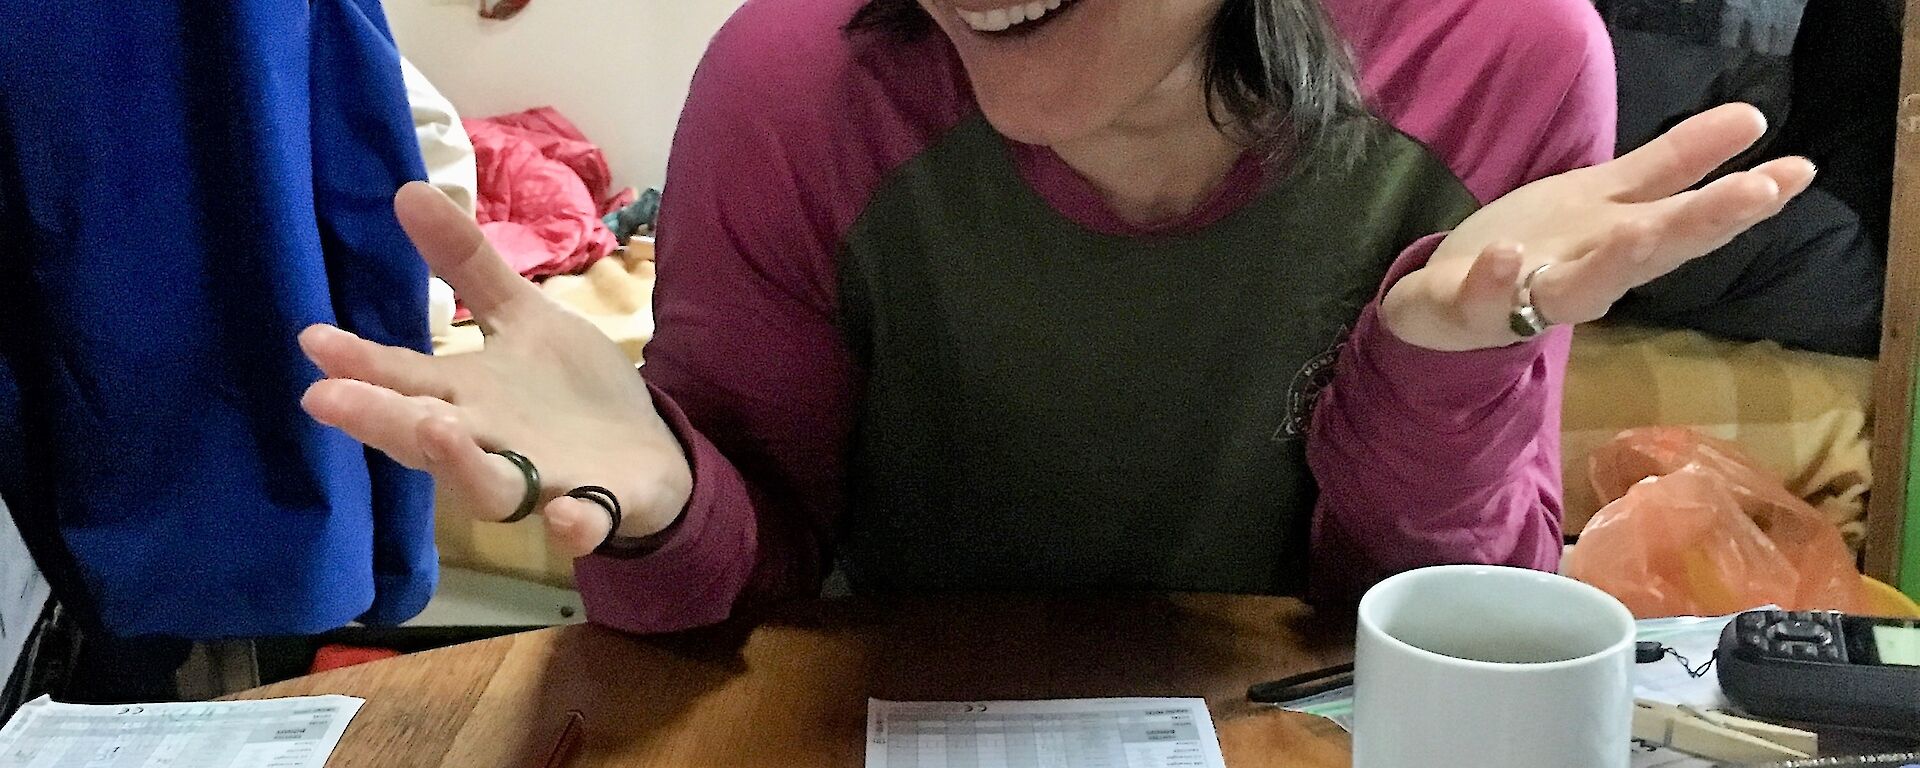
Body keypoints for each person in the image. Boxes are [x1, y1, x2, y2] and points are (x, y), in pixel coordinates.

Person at [297, 0, 1813, 634]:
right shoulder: (789, 80)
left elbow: (1434, 621)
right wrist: (655, 502)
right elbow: (737, 602)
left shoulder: (1503, 57)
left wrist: (1433, 361)